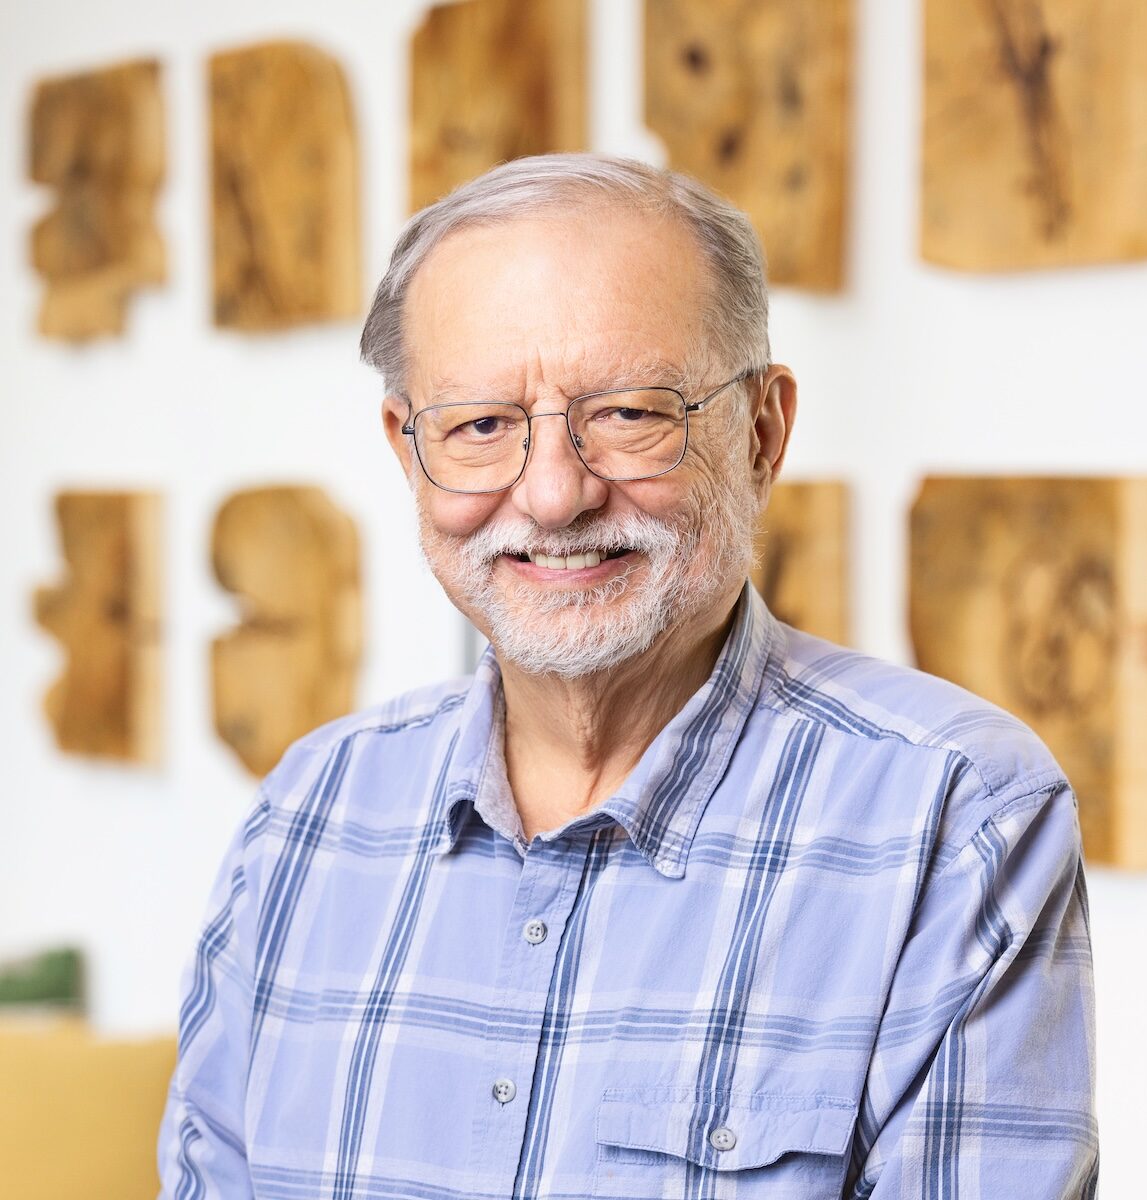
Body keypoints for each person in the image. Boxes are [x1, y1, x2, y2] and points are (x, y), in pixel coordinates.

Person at [158, 154, 1098, 1199]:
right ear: (407, 451)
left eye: (630, 413)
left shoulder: (957, 819)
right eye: (480, 426)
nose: (555, 495)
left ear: (762, 433)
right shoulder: (306, 814)